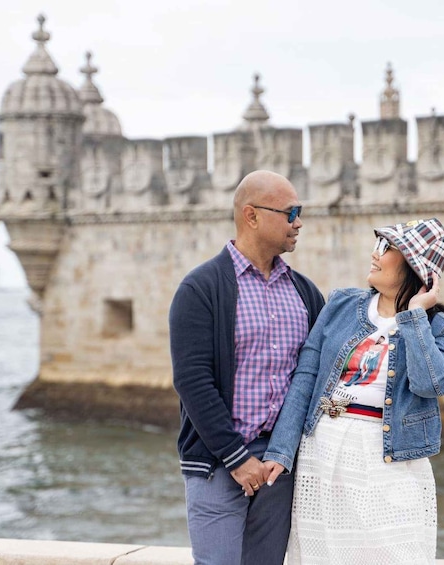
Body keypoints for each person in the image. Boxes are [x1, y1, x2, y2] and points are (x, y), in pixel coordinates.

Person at [263, 218, 444, 565]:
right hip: (323, 451)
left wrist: (415, 315)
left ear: (415, 267)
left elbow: (430, 384)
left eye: (387, 249)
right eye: (378, 245)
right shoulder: (341, 304)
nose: (375, 254)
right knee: (321, 555)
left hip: (392, 460)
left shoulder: (440, 329)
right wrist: (280, 451)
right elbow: (306, 376)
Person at [169, 170, 325, 565]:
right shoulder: (200, 288)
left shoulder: (306, 293)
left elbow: (314, 380)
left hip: (280, 467)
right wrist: (237, 459)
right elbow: (192, 381)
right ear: (251, 216)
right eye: (291, 212)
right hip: (217, 464)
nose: (298, 222)